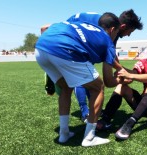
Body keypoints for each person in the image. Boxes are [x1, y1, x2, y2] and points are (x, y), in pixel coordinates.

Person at [35, 12, 126, 147]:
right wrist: (121, 80)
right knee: (98, 87)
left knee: (66, 87)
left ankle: (64, 133)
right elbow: (108, 81)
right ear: (113, 29)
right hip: (64, 49)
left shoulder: (85, 25)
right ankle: (89, 138)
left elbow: (45, 28)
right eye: (117, 32)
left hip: (41, 47)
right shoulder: (108, 42)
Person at [43, 9, 143, 123]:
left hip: (67, 41)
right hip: (67, 44)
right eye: (130, 31)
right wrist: (123, 76)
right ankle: (85, 113)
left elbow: (111, 57)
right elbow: (108, 74)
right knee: (83, 76)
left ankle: (91, 109)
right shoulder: (106, 30)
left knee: (89, 76)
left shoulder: (110, 25)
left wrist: (124, 72)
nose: (129, 35)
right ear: (123, 26)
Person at [97, 38, 147, 140]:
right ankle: (105, 119)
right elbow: (133, 74)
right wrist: (120, 69)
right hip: (146, 104)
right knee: (121, 87)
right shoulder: (144, 62)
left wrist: (129, 75)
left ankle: (129, 124)